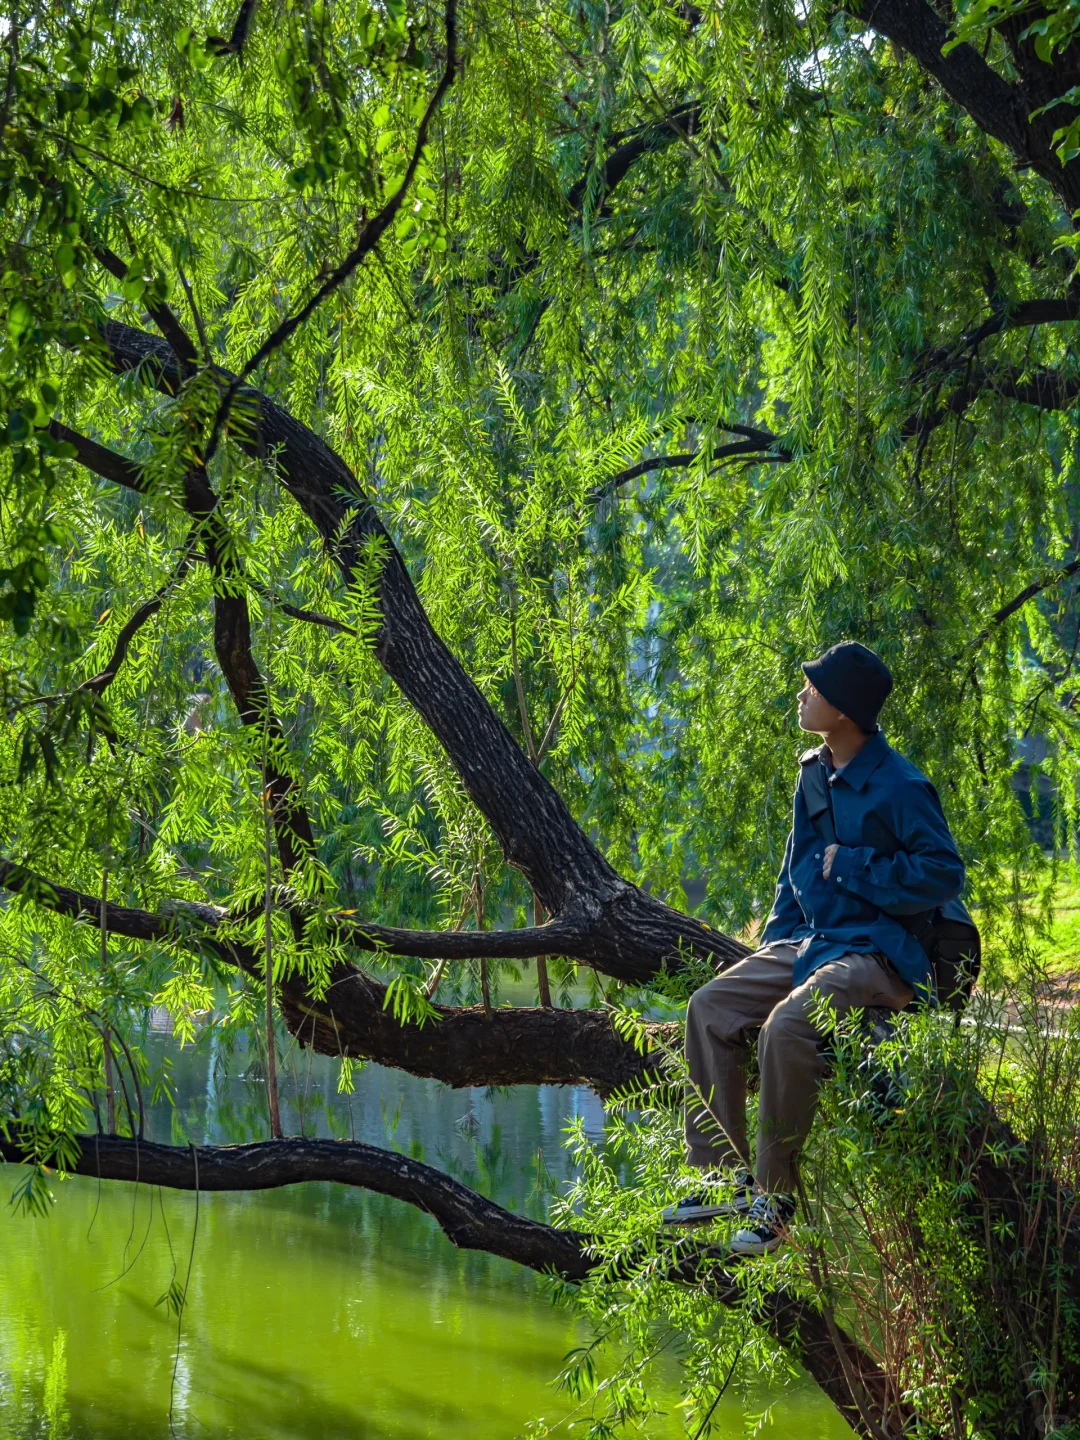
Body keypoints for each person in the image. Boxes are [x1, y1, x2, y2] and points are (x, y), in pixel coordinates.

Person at [663, 641, 968, 1255]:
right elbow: (793, 871)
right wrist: (774, 948)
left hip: (880, 955)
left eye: (814, 688)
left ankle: (774, 1205)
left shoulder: (903, 786)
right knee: (709, 1007)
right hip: (813, 943)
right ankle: (721, 1175)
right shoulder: (812, 773)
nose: (802, 694)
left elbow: (944, 875)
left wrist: (853, 864)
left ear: (847, 710)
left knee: (789, 1028)